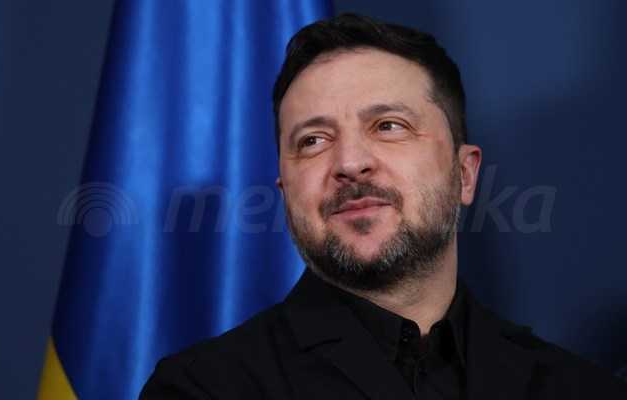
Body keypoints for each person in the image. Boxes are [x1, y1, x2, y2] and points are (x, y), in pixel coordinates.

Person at [140, 13, 627, 399]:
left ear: (465, 174)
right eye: (313, 140)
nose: (350, 163)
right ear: (285, 192)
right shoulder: (203, 388)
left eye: (389, 126)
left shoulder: (582, 389)